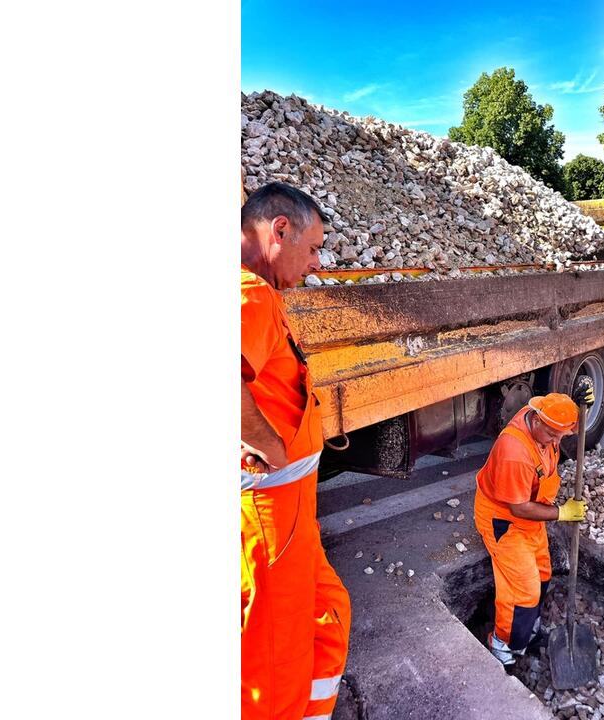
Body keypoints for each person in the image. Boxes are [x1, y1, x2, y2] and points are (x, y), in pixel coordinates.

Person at [241, 182, 351, 719]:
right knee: (274, 660)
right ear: (278, 231)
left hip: (291, 516)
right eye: (312, 248)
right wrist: (270, 448)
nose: (316, 263)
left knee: (328, 612)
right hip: (271, 516)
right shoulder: (250, 293)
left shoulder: (263, 295)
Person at [473, 381, 594, 670]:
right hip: (505, 520)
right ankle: (504, 647)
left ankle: (527, 630)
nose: (556, 442)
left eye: (560, 435)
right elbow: (519, 507)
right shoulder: (514, 450)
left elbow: (572, 426)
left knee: (542, 573)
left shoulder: (547, 424)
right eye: (551, 434)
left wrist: (580, 406)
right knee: (523, 591)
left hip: (529, 518)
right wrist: (561, 513)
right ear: (536, 420)